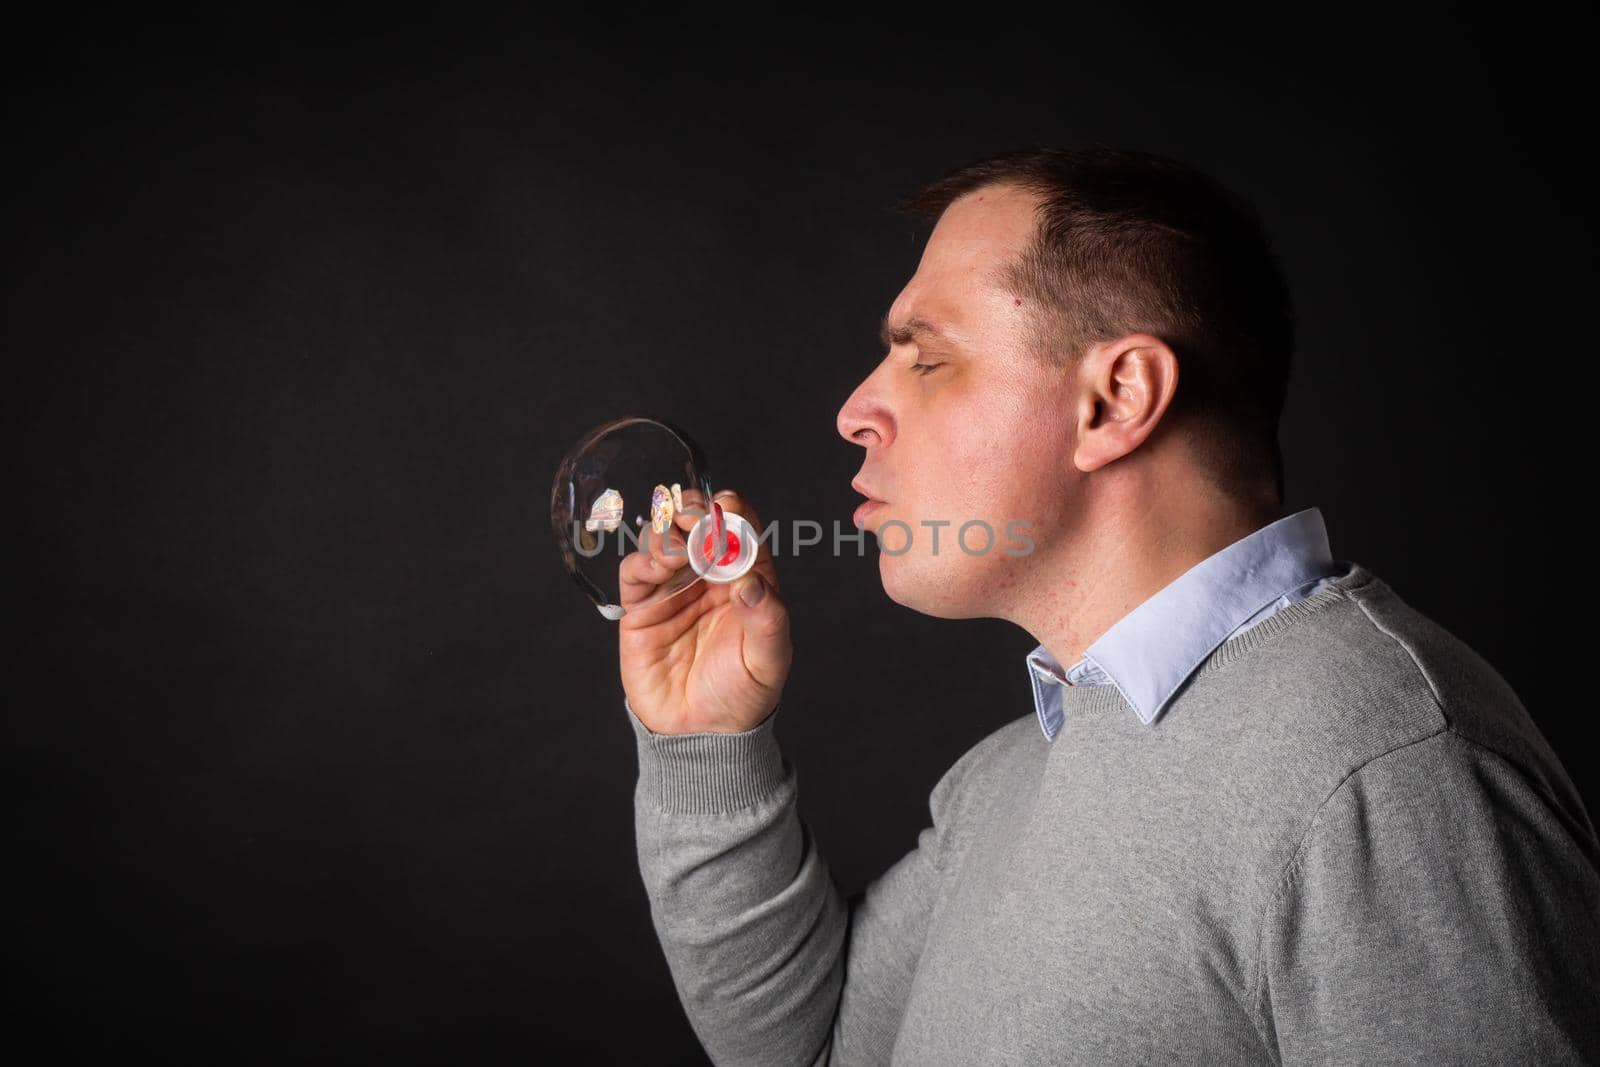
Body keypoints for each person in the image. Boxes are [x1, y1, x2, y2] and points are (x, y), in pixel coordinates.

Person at [613, 146, 1600, 1064]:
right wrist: (706, 744)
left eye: (926, 358)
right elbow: (818, 1049)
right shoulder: (1008, 776)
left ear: (1117, 397)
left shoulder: (1382, 771)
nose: (853, 410)